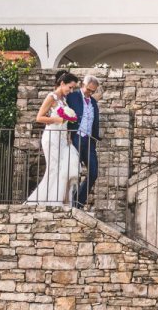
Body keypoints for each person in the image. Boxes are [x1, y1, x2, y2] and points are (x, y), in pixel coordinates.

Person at [25, 71, 81, 206]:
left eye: (73, 88)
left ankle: (61, 200)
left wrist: (67, 134)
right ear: (62, 83)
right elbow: (39, 117)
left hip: (62, 139)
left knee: (65, 167)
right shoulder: (52, 97)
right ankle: (47, 202)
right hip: (51, 137)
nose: (71, 90)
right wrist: (55, 119)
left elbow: (65, 121)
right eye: (70, 87)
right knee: (54, 169)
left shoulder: (64, 101)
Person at [66, 74, 102, 210]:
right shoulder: (72, 97)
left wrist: (95, 138)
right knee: (73, 172)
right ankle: (68, 201)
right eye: (88, 90)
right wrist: (67, 134)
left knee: (93, 172)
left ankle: (78, 202)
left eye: (93, 91)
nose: (90, 93)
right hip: (75, 138)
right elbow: (63, 114)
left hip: (89, 141)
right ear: (82, 85)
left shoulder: (93, 102)